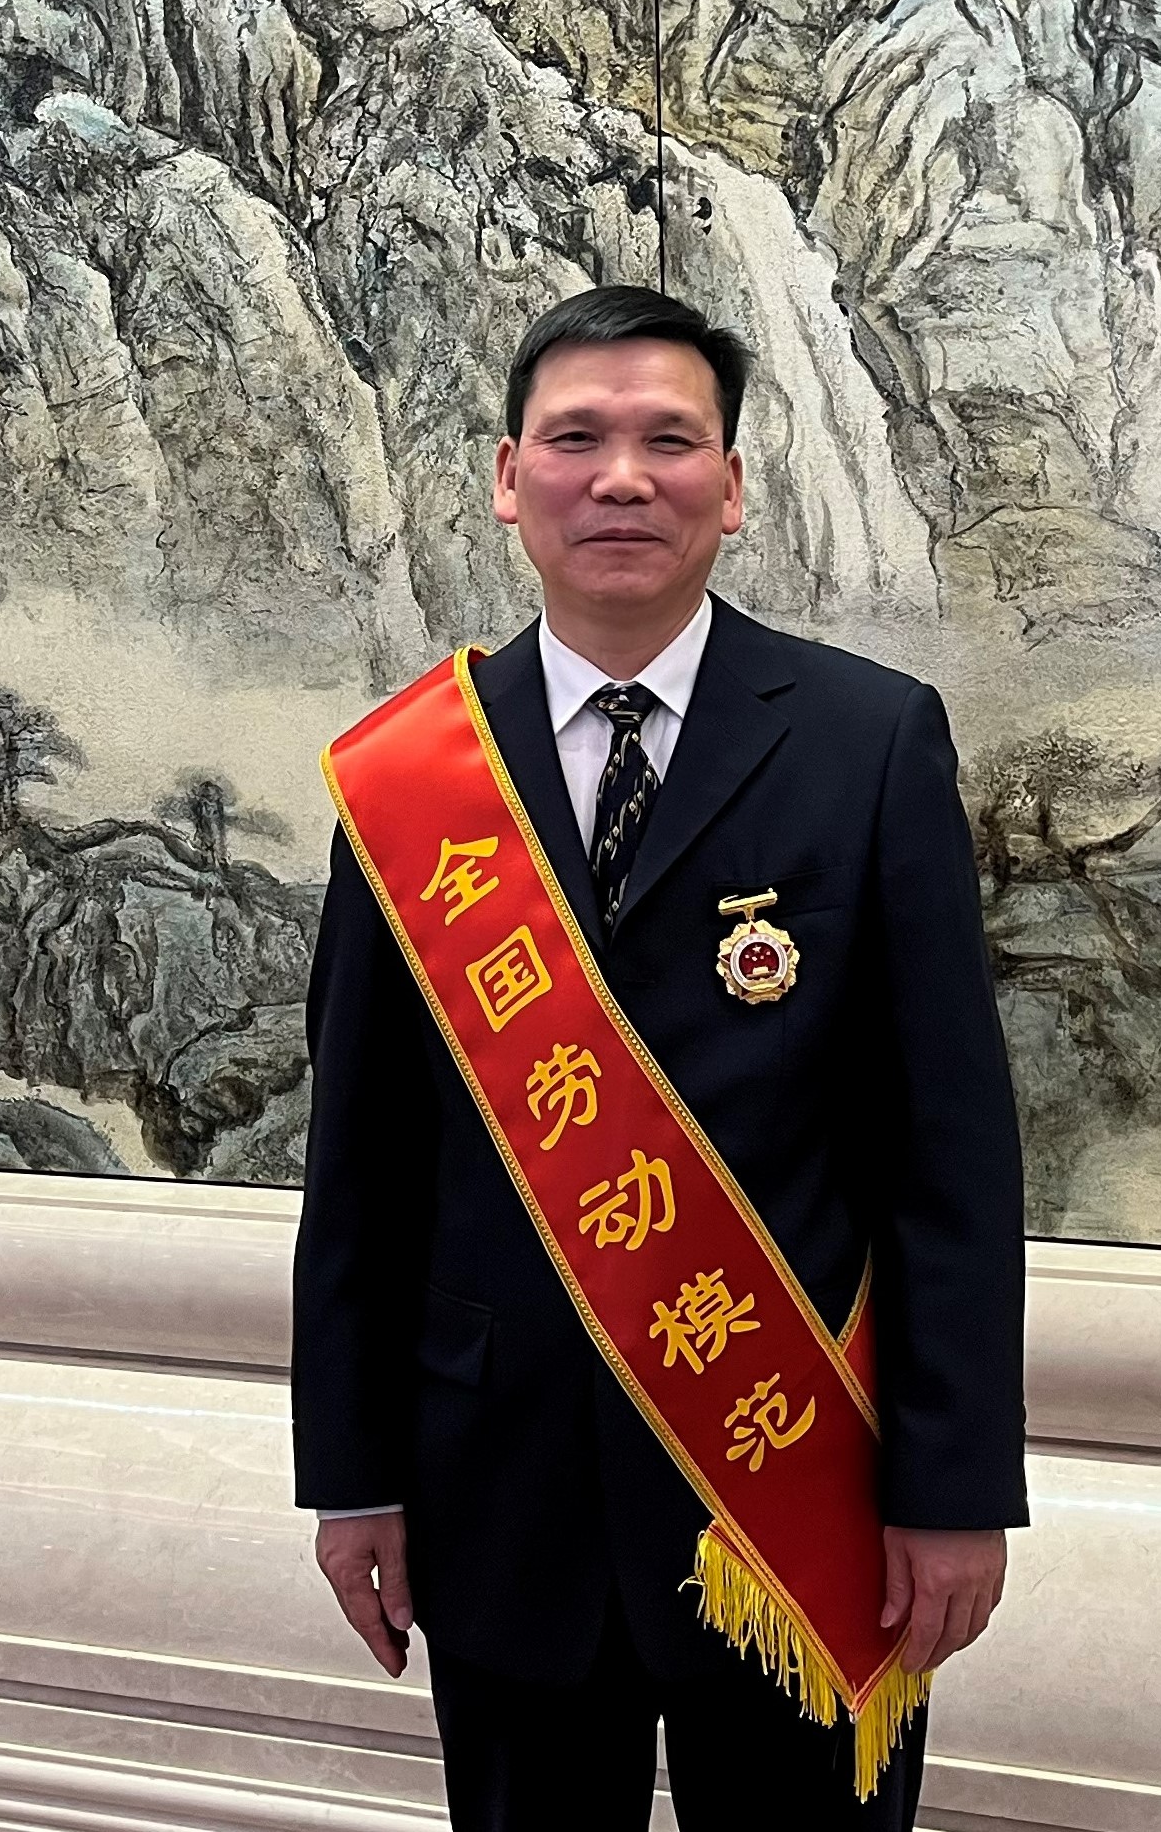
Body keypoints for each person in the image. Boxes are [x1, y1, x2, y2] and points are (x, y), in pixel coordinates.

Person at [292, 284, 1027, 1830]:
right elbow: (362, 1165)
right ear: (510, 480)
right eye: (575, 438)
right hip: (495, 1491)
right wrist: (350, 1473)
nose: (620, 477)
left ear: (732, 485)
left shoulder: (869, 739)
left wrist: (955, 1488)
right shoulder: (408, 776)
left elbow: (946, 1159)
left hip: (793, 1487)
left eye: (667, 440)